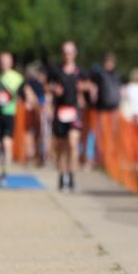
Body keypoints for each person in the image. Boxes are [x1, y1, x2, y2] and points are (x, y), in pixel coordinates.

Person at [48, 41, 90, 192]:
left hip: (74, 111)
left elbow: (90, 87)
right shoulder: (56, 71)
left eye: (70, 52)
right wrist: (54, 89)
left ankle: (71, 177)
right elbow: (47, 85)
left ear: (75, 53)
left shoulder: (81, 72)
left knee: (73, 144)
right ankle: (62, 176)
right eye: (65, 52)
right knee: (61, 146)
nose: (67, 55)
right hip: (60, 111)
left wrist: (83, 88)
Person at [0, 52, 24, 187]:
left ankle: (4, 174)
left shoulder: (17, 77)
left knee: (7, 144)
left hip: (9, 114)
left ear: (11, 62)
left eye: (6, 61)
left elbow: (22, 92)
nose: (4, 64)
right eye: (1, 61)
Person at [89, 53, 122, 167]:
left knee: (112, 134)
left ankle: (110, 157)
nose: (108, 64)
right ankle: (100, 157)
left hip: (114, 109)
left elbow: (119, 90)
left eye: (110, 62)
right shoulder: (99, 74)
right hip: (102, 109)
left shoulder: (117, 75)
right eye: (107, 62)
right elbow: (92, 86)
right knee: (101, 134)